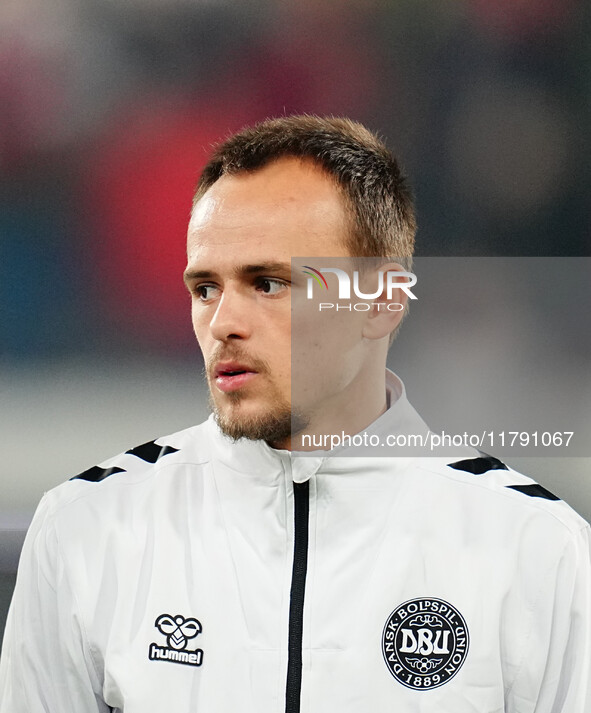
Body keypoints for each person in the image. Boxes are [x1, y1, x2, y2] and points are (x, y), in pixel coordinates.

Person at [0, 115, 589, 712]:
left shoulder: (538, 550)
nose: (224, 321)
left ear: (382, 301)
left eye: (269, 283)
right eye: (205, 288)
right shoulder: (86, 529)